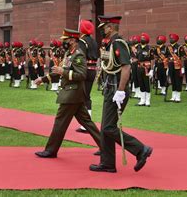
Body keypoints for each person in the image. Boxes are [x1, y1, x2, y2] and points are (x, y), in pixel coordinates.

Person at [90, 15, 152, 173]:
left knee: (109, 128)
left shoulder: (118, 43)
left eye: (103, 27)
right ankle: (107, 163)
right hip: (110, 88)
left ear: (110, 27)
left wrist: (120, 91)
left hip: (117, 90)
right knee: (105, 128)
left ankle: (140, 149)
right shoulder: (111, 43)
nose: (102, 31)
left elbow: (126, 67)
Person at [34, 28, 102, 158]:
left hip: (72, 94)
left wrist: (62, 72)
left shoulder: (78, 55)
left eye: (65, 40)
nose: (63, 42)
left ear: (72, 41)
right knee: (87, 122)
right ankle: (105, 147)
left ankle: (51, 150)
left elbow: (82, 75)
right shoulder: (69, 54)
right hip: (73, 94)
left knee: (60, 121)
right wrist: (43, 79)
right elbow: (60, 71)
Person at [76, 19, 99, 132]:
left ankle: (86, 124)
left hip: (84, 70)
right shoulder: (94, 41)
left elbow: (81, 57)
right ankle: (86, 123)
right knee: (86, 96)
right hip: (92, 70)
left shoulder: (82, 41)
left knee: (84, 96)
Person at [166, 33, 183, 102]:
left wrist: (182, 67)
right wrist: (167, 67)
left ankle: (178, 96)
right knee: (172, 80)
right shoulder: (168, 47)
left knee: (177, 80)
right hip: (170, 64)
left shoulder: (179, 47)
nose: (171, 39)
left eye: (172, 38)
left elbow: (182, 58)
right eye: (170, 38)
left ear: (176, 39)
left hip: (177, 66)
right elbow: (167, 57)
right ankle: (173, 95)